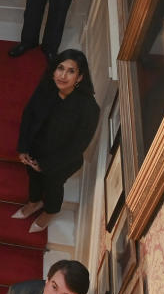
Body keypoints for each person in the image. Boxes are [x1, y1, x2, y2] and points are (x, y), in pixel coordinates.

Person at [12, 49, 100, 232]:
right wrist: (23, 148)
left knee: (52, 185)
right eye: (60, 68)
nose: (63, 75)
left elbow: (77, 147)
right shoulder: (46, 88)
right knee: (33, 177)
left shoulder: (89, 108)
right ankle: (34, 202)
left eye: (71, 71)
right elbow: (28, 116)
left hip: (62, 160)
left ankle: (51, 211)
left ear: (80, 77)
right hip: (35, 149)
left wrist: (45, 164)